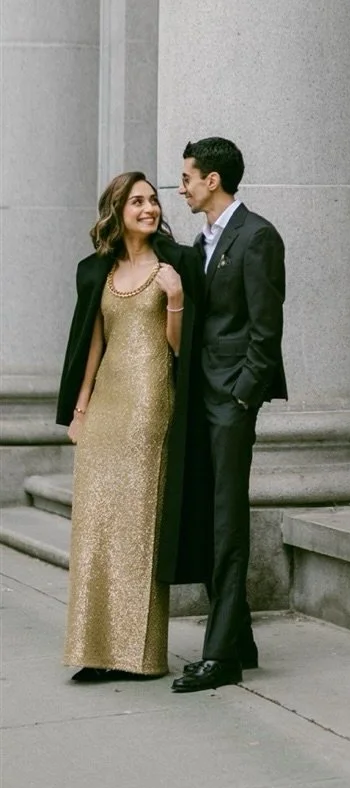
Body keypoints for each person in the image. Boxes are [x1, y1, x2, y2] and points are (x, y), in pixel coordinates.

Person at [56, 172, 207, 682]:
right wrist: (80, 412)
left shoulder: (178, 264)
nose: (150, 208)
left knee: (139, 526)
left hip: (151, 404)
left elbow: (183, 350)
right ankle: (94, 651)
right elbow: (92, 345)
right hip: (106, 405)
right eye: (138, 201)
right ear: (117, 210)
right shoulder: (95, 270)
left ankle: (139, 656)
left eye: (154, 200)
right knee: (96, 524)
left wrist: (176, 298)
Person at [171, 137, 287, 694]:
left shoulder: (258, 236)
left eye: (188, 177)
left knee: (227, 522)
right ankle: (240, 639)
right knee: (210, 516)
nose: (182, 187)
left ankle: (221, 656)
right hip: (204, 400)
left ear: (212, 180)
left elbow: (266, 330)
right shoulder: (205, 238)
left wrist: (243, 396)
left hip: (230, 403)